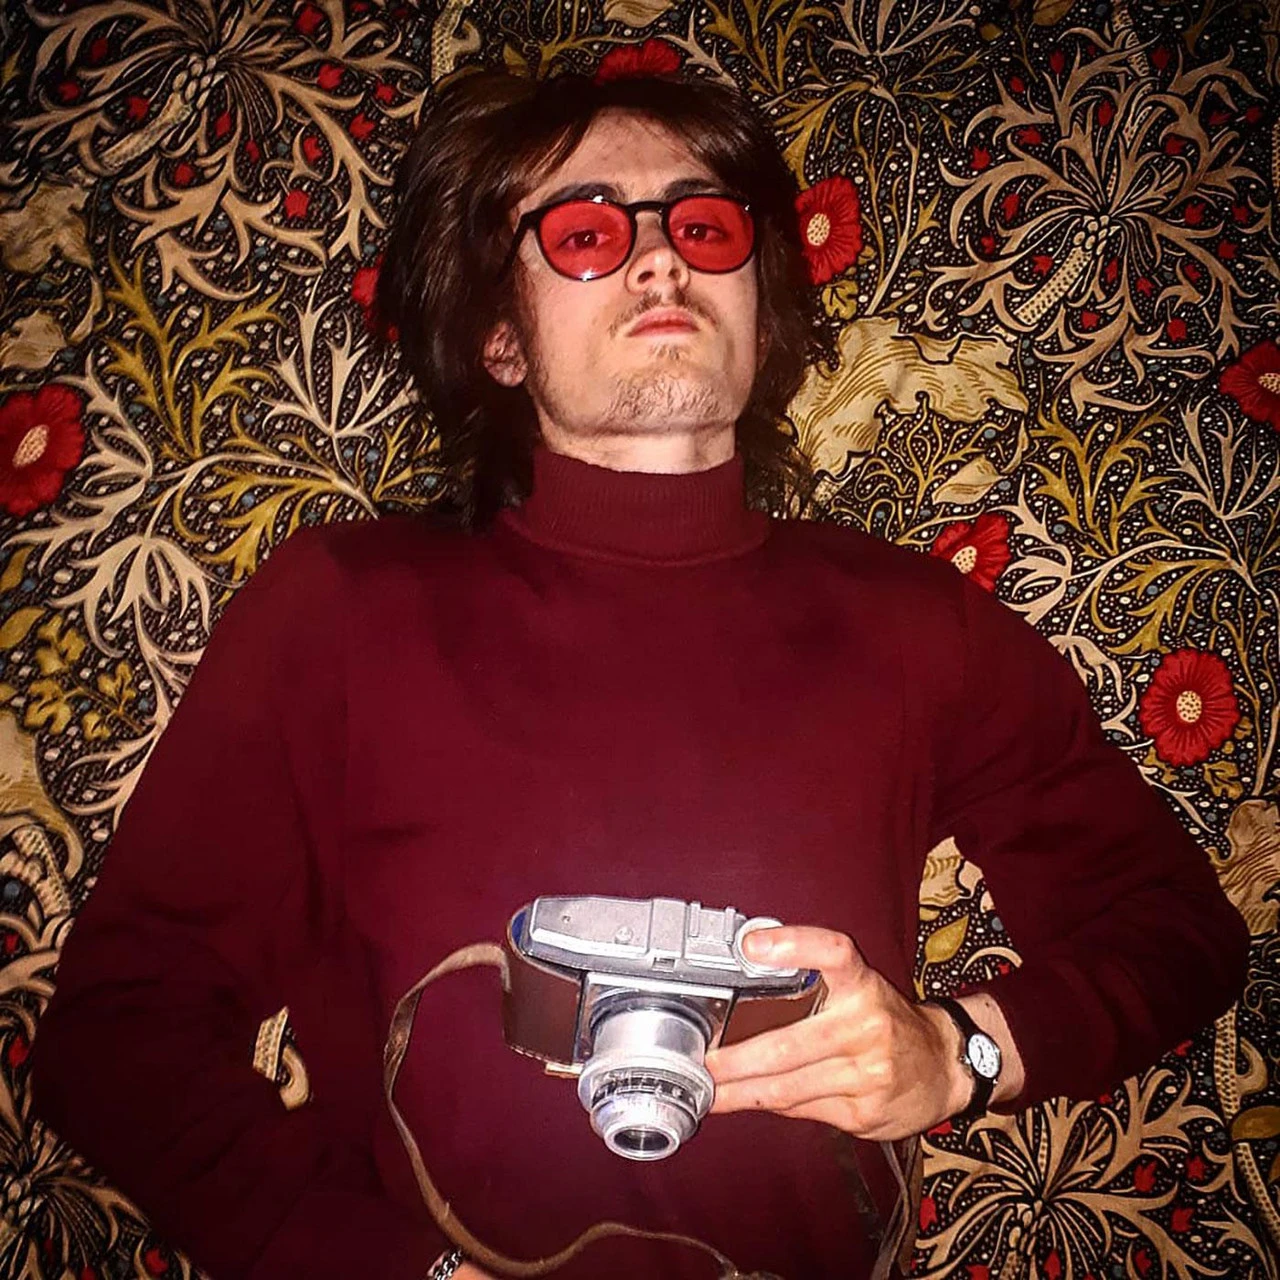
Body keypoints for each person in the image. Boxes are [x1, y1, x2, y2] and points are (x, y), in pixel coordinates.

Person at [31, 68, 1248, 1280]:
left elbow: (1176, 928)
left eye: (703, 226)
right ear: (500, 336)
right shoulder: (340, 610)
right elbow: (119, 1034)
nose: (659, 260)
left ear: (759, 309)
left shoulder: (916, 623)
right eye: (585, 232)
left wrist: (959, 1052)